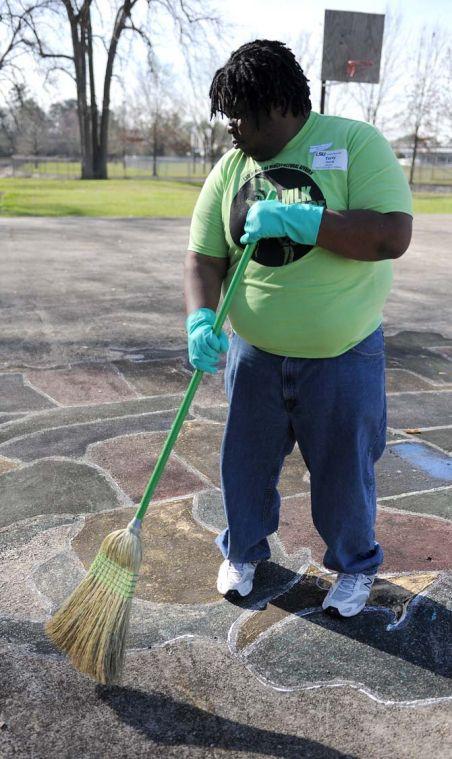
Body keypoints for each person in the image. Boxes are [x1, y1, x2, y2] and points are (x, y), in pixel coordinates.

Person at [184, 39, 412, 617]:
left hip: (343, 357)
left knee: (343, 477)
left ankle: (354, 566)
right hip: (255, 357)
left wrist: (305, 220)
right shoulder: (231, 169)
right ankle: (242, 550)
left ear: (278, 104)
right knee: (244, 468)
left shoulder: (353, 144)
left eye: (239, 113)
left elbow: (391, 235)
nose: (230, 127)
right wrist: (201, 317)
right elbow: (204, 257)